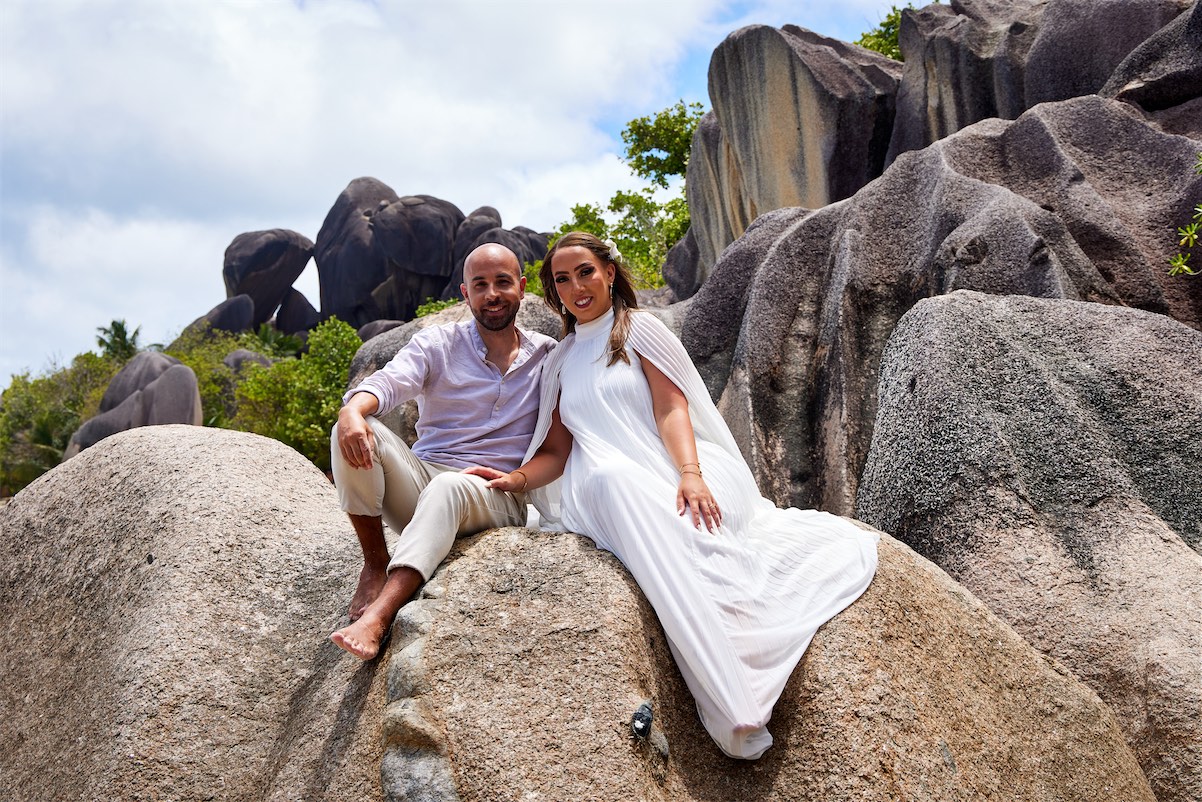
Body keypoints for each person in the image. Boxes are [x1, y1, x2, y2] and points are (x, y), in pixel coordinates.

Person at [466, 232, 879, 760]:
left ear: (609, 273)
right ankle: (731, 691)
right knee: (613, 479)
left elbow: (671, 409)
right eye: (562, 279)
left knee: (672, 518)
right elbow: (556, 451)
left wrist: (690, 473)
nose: (576, 287)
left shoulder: (640, 330)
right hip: (603, 483)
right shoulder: (560, 361)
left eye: (585, 272)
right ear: (552, 292)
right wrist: (514, 480)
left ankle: (739, 672)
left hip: (673, 466)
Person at [329, 242, 556, 661]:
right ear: (464, 294)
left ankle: (379, 615)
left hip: (497, 493)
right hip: (423, 483)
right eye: (480, 284)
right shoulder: (437, 343)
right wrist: (352, 411)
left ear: (521, 288)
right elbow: (389, 383)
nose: (492, 294)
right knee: (355, 429)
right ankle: (376, 563)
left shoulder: (547, 356)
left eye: (503, 282)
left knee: (450, 486)